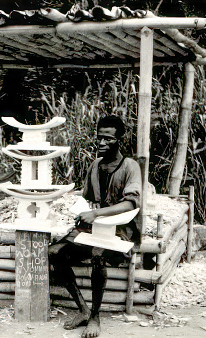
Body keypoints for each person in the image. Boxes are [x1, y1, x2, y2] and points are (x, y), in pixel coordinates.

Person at [49, 115, 141, 338]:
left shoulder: (130, 166)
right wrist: (83, 215)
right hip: (93, 229)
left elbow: (131, 202)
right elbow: (90, 200)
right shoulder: (95, 166)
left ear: (120, 140)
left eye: (108, 139)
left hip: (120, 233)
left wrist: (96, 214)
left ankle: (95, 317)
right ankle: (83, 309)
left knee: (98, 254)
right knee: (54, 252)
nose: (101, 143)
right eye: (99, 138)